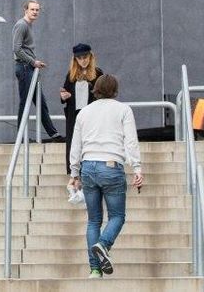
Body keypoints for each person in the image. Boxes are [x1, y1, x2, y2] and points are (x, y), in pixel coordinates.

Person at [69, 74, 144, 279]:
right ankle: (103, 245)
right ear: (115, 90)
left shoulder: (84, 112)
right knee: (117, 216)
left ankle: (95, 270)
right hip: (111, 166)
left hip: (88, 167)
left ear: (96, 90)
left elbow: (76, 143)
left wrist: (74, 172)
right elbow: (131, 142)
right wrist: (137, 168)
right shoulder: (123, 110)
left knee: (93, 220)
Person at [12, 0, 64, 142]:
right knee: (25, 102)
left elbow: (24, 48)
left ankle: (53, 134)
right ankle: (21, 137)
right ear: (26, 10)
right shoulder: (22, 25)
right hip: (24, 67)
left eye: (37, 10)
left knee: (41, 102)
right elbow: (16, 49)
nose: (35, 12)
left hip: (29, 67)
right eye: (32, 9)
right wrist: (33, 61)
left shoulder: (28, 25)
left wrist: (33, 63)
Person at [60, 43, 103, 175]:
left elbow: (103, 93)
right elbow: (65, 94)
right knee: (74, 141)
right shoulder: (71, 75)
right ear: (75, 59)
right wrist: (64, 96)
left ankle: (92, 167)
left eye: (85, 57)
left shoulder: (98, 73)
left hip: (92, 114)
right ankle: (74, 170)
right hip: (75, 114)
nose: (83, 60)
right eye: (79, 58)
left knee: (92, 140)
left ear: (90, 57)